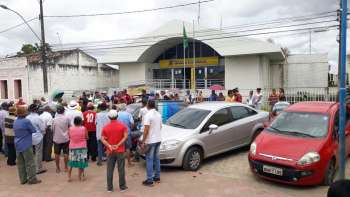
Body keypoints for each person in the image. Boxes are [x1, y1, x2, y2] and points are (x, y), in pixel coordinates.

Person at [101, 110, 128, 192]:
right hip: (120, 150)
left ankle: (110, 188)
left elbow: (102, 139)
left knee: (109, 169)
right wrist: (118, 145)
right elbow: (125, 137)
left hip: (110, 151)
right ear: (117, 116)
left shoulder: (105, 127)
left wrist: (109, 146)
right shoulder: (122, 126)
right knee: (121, 169)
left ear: (109, 117)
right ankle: (122, 187)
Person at [13, 106, 41, 184]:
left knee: (20, 163)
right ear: (24, 113)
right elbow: (33, 130)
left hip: (17, 143)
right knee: (30, 162)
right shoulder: (26, 121)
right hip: (26, 144)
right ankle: (32, 179)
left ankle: (23, 179)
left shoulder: (15, 121)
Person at [140, 100, 162, 186]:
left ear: (148, 106)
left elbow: (146, 130)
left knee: (149, 159)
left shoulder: (147, 115)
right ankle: (157, 177)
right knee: (157, 159)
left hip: (151, 141)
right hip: (158, 139)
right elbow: (160, 127)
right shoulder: (159, 115)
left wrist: (143, 141)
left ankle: (149, 180)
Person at [26, 104, 46, 174]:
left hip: (29, 137)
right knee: (38, 153)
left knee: (30, 153)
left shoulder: (27, 117)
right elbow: (42, 129)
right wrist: (43, 134)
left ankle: (31, 168)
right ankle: (38, 169)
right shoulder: (38, 118)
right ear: (36, 110)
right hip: (38, 137)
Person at [67, 116, 88, 182]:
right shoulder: (84, 128)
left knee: (71, 162)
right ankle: (80, 176)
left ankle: (69, 176)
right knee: (81, 162)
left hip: (72, 147)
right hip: (82, 147)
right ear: (81, 122)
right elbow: (87, 137)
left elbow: (69, 136)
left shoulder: (70, 128)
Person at [52, 105, 70, 173]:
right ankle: (66, 167)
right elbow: (69, 126)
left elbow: (52, 129)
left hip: (57, 138)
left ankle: (58, 168)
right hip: (65, 138)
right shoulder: (66, 118)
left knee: (57, 154)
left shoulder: (54, 119)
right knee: (66, 153)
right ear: (63, 111)